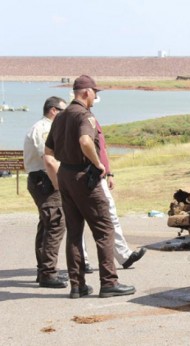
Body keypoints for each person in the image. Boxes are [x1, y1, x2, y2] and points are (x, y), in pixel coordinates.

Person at [44, 75, 135, 299]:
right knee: (104, 229)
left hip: (65, 174)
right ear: (86, 92)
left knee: (74, 232)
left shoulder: (61, 117)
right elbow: (86, 141)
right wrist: (99, 164)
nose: (96, 97)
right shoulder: (84, 115)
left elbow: (49, 152)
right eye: (95, 92)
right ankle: (109, 282)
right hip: (84, 176)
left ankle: (77, 285)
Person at [82, 118, 146, 272]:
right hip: (87, 175)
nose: (95, 97)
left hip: (100, 175)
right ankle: (82, 261)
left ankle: (124, 256)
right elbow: (84, 144)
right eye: (94, 93)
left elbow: (102, 149)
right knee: (80, 220)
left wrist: (109, 173)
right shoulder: (78, 119)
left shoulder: (93, 120)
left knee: (110, 216)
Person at [23, 96, 68, 288]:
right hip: (45, 179)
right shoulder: (44, 129)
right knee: (56, 223)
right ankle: (48, 273)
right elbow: (49, 160)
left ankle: (44, 270)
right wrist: (60, 184)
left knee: (46, 224)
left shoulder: (47, 128)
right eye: (63, 112)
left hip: (43, 178)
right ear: (53, 110)